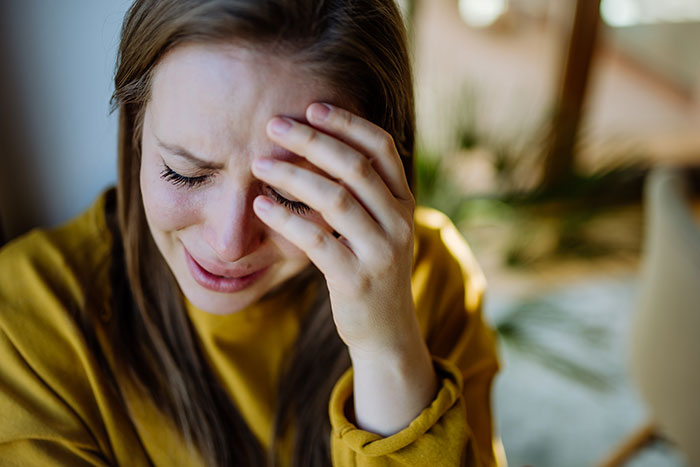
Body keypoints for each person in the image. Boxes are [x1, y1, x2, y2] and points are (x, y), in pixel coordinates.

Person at [0, 0, 501, 465]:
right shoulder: (26, 317)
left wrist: (388, 350)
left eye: (294, 195)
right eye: (184, 173)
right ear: (136, 127)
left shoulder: (430, 280)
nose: (229, 244)